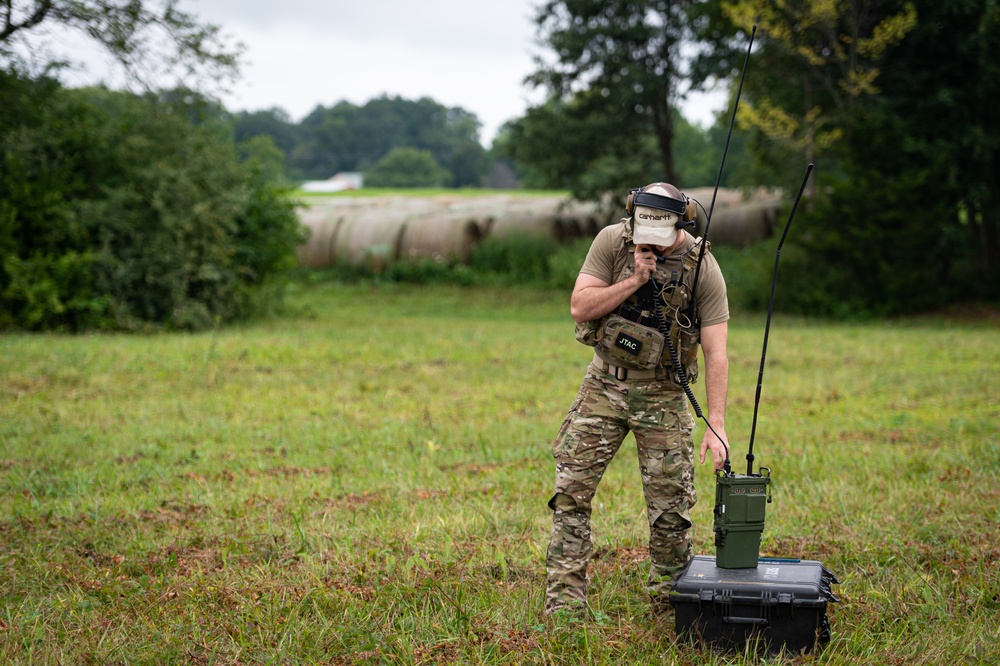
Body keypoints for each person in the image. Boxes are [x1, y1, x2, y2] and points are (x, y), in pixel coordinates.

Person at [544, 181, 731, 617]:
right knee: (571, 494)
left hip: (664, 393)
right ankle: (565, 607)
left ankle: (669, 607)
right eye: (641, 224)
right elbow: (580, 306)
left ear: (681, 220)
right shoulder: (613, 240)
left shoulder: (701, 264)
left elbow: (716, 349)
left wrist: (716, 424)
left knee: (671, 511)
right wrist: (634, 279)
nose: (648, 236)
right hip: (604, 386)